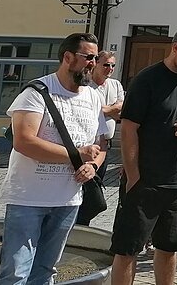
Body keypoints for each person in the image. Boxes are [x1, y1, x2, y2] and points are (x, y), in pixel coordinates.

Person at [0, 33, 108, 285]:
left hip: (68, 199)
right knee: (15, 271)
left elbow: (101, 143)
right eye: (88, 57)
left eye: (96, 58)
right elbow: (24, 141)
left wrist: (92, 165)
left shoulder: (93, 97)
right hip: (28, 197)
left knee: (46, 270)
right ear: (68, 57)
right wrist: (77, 155)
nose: (93, 63)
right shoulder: (36, 92)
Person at [109, 29, 177, 285]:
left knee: (169, 247)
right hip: (144, 180)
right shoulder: (147, 79)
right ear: (175, 47)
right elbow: (128, 128)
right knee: (128, 248)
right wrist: (133, 176)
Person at [78, 51, 123, 225]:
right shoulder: (86, 85)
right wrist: (108, 110)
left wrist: (102, 110)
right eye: (106, 65)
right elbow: (87, 110)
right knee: (86, 188)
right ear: (96, 64)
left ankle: (83, 225)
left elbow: (121, 110)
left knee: (95, 188)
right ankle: (78, 225)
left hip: (106, 146)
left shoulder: (115, 85)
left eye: (112, 65)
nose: (110, 69)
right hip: (88, 145)